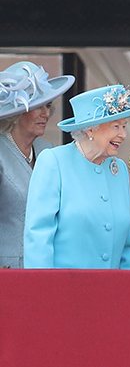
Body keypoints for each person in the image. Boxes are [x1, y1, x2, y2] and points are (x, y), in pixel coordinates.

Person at [23, 85, 130, 269]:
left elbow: (128, 244)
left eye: (124, 126)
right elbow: (38, 237)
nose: (123, 135)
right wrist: (44, 292)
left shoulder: (120, 170)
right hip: (65, 291)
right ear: (90, 130)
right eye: (115, 126)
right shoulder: (54, 162)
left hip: (112, 292)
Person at [0, 61, 74, 268]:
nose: (46, 114)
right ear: (16, 111)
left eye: (48, 105)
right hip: (6, 273)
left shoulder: (48, 151)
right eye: (37, 106)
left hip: (47, 270)